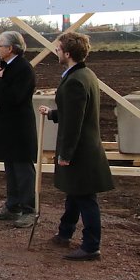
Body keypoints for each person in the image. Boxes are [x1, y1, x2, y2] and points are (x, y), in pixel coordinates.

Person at [39, 32, 114, 261]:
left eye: (58, 49)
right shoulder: (85, 74)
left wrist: (65, 154)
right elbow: (75, 112)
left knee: (85, 198)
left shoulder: (74, 81)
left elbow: (74, 123)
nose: (56, 52)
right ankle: (65, 232)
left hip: (80, 151)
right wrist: (52, 113)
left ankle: (91, 246)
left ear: (68, 53)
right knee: (74, 194)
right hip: (85, 148)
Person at [0, 31, 38, 228]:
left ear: (11, 48)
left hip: (20, 126)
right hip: (8, 125)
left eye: (0, 45)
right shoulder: (7, 66)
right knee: (11, 168)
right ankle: (13, 205)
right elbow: (2, 92)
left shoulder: (24, 69)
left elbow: (15, 96)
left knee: (23, 168)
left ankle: (28, 209)